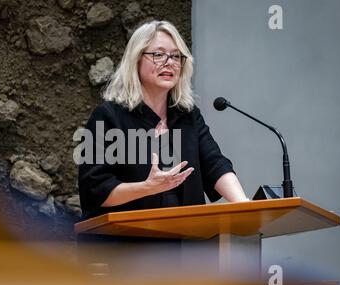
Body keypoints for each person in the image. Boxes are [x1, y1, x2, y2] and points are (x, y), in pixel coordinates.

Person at [78, 20, 248, 221]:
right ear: (136, 59)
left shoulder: (188, 116)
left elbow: (215, 165)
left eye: (176, 56)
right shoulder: (107, 117)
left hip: (187, 241)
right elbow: (94, 189)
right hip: (127, 244)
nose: (170, 62)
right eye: (158, 54)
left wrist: (244, 205)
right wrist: (147, 187)